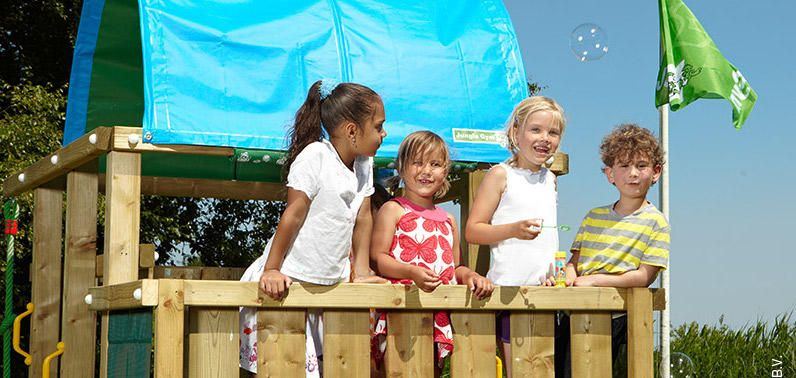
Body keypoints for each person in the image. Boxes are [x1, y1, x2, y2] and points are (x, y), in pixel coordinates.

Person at [238, 79, 388, 376]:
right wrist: (272, 269)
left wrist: (361, 272)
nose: (384, 133)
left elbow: (363, 218)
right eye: (379, 126)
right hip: (290, 280)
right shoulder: (315, 157)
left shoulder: (363, 165)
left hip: (325, 285)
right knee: (283, 367)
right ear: (351, 131)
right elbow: (293, 214)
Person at [370, 131, 493, 369]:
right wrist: (412, 272)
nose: (426, 170)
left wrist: (471, 275)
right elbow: (378, 259)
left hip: (438, 315)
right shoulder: (393, 209)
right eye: (417, 162)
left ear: (445, 171)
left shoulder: (449, 220)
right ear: (402, 168)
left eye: (435, 164)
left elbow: (455, 267)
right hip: (399, 312)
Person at [464, 96, 566, 377]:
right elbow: (473, 230)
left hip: (544, 296)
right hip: (508, 294)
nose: (545, 138)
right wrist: (513, 230)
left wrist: (554, 275)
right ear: (516, 132)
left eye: (553, 132)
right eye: (536, 129)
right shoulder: (500, 174)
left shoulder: (551, 180)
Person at [558, 123, 670, 377]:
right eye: (624, 166)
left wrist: (596, 281)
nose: (632, 173)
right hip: (571, 312)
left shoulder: (657, 222)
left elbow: (644, 277)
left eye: (641, 166)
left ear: (656, 172)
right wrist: (569, 274)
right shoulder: (593, 216)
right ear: (610, 174)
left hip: (616, 318)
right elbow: (574, 261)